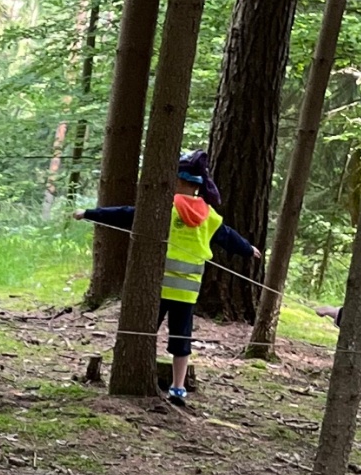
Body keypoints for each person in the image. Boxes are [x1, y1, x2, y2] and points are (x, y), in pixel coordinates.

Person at [78, 148, 262, 403]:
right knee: (181, 339)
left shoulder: (164, 208)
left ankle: (128, 374)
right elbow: (228, 236)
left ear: (177, 180)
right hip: (187, 291)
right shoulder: (209, 215)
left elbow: (126, 214)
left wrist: (90, 213)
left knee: (144, 332)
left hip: (158, 288)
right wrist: (248, 249)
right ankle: (178, 387)